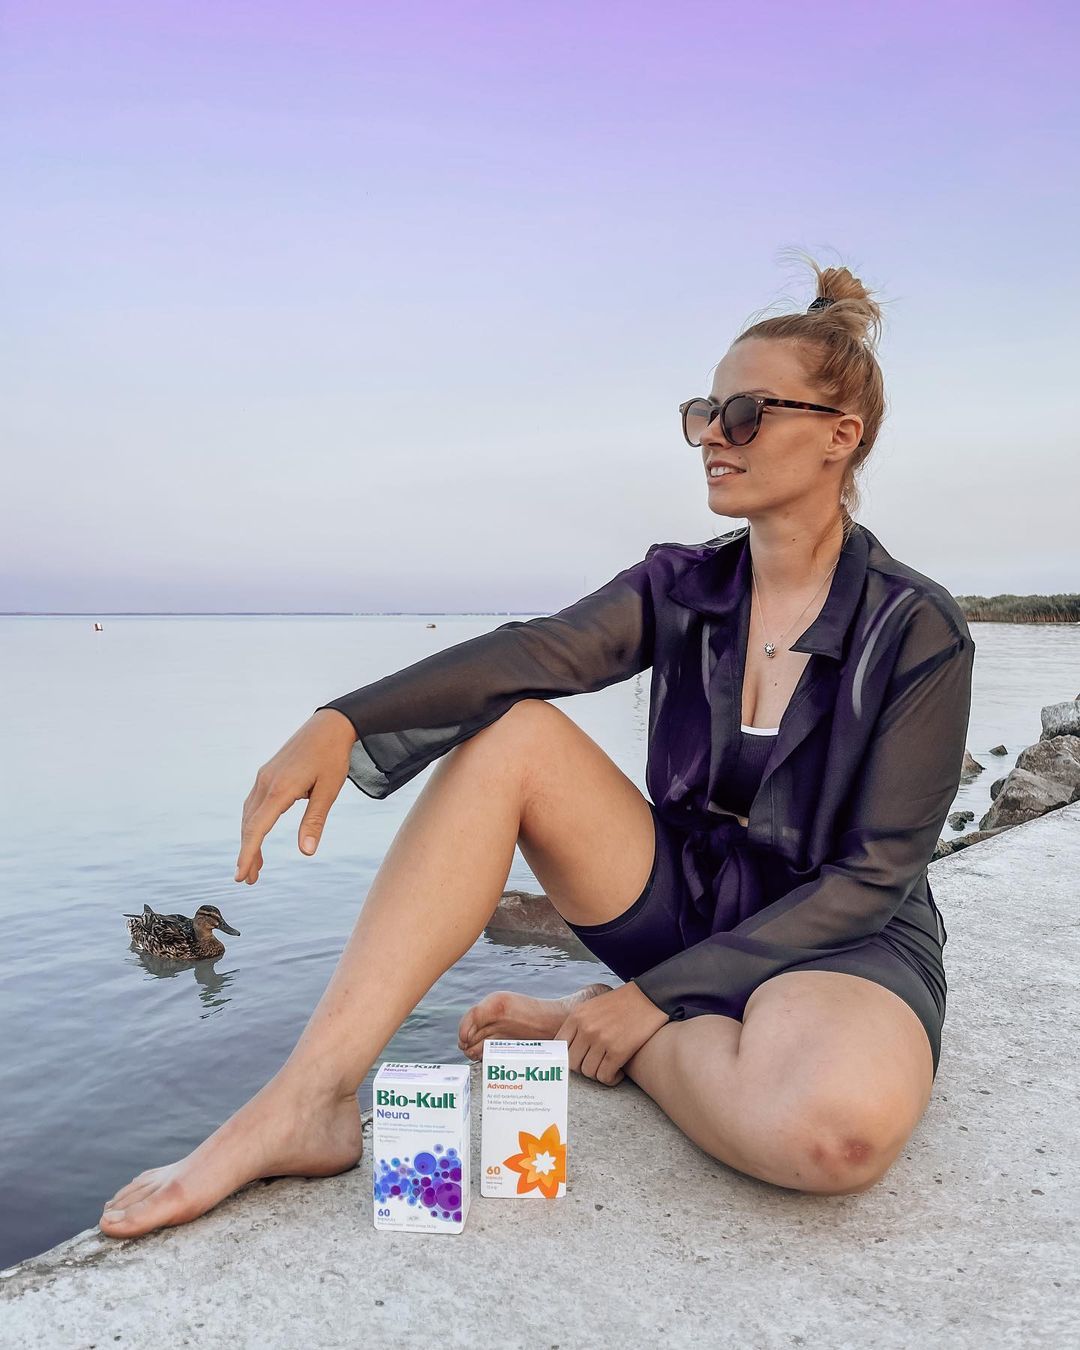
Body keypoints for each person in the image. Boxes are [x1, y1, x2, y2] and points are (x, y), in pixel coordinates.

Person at [99, 256, 974, 1238]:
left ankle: (597, 1031)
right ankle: (310, 1098)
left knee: (833, 1138)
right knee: (513, 732)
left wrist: (649, 1004)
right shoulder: (681, 585)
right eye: (703, 413)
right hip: (683, 901)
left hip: (835, 941)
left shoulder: (915, 628)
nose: (710, 438)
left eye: (744, 416)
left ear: (840, 435)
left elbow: (871, 879)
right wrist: (341, 720)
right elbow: (535, 653)